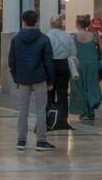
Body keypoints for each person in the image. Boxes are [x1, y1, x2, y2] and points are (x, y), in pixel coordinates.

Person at [8, 10, 56, 151]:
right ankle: (41, 141)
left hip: (22, 79)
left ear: (23, 21)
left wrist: (16, 78)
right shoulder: (44, 39)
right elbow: (49, 62)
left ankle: (21, 141)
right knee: (41, 110)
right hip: (40, 78)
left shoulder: (16, 39)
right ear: (37, 21)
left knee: (23, 109)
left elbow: (12, 62)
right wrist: (51, 81)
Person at [71, 13, 102, 122]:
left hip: (79, 64)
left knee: (80, 87)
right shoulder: (94, 35)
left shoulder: (74, 36)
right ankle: (91, 111)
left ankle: (84, 112)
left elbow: (71, 52)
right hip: (92, 63)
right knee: (92, 86)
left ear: (77, 24)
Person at [47, 16, 77, 131]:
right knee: (63, 93)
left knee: (49, 92)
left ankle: (50, 119)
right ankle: (63, 121)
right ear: (61, 24)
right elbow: (73, 51)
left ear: (51, 23)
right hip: (64, 65)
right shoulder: (67, 35)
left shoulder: (48, 36)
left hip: (51, 65)